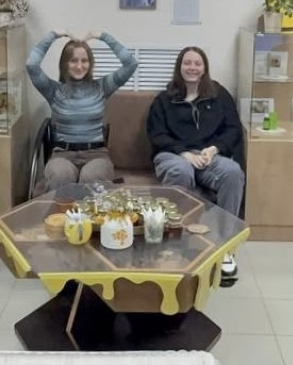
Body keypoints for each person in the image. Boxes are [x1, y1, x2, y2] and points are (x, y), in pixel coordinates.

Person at [146, 46, 246, 279]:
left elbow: (233, 130)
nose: (192, 68)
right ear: (179, 67)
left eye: (197, 63)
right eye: (187, 63)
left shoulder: (219, 95)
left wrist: (213, 149)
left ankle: (224, 246)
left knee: (233, 172)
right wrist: (184, 153)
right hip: (173, 155)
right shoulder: (164, 99)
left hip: (209, 156)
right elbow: (157, 135)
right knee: (181, 171)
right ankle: (175, 243)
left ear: (204, 68)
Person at [26, 30, 137, 192]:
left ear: (90, 63)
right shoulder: (54, 91)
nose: (79, 66)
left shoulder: (101, 88)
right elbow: (31, 65)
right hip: (63, 154)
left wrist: (103, 36)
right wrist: (54, 35)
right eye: (73, 60)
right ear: (65, 63)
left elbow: (131, 64)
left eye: (84, 61)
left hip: (96, 155)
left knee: (91, 177)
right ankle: (59, 209)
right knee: (60, 175)